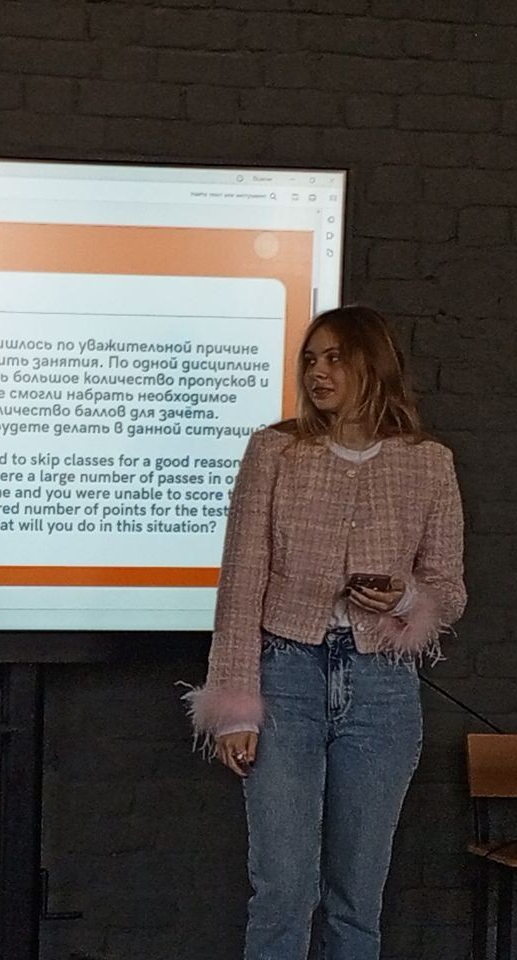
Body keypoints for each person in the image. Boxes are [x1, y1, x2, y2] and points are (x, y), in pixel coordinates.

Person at [184, 305, 465, 960]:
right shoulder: (275, 451)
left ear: (373, 363)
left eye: (335, 357)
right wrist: (234, 708)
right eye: (310, 359)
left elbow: (449, 590)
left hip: (382, 686)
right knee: (283, 889)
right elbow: (240, 584)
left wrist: (404, 597)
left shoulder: (428, 463)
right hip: (286, 674)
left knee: (356, 900)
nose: (318, 372)